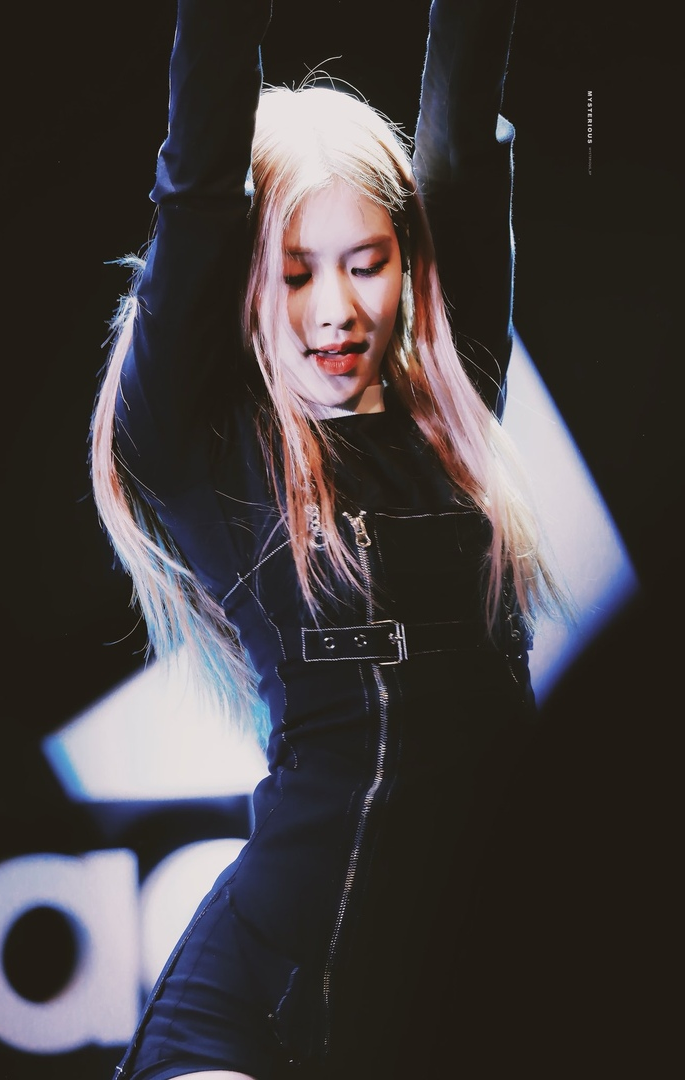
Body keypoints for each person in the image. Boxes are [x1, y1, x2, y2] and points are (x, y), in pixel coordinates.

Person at [91, 0, 567, 1076]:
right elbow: (198, 184)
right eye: (297, 271)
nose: (338, 310)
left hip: (464, 1000)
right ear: (244, 281)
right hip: (259, 1008)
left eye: (369, 260)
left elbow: (458, 137)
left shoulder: (454, 405)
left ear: (411, 264)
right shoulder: (198, 442)